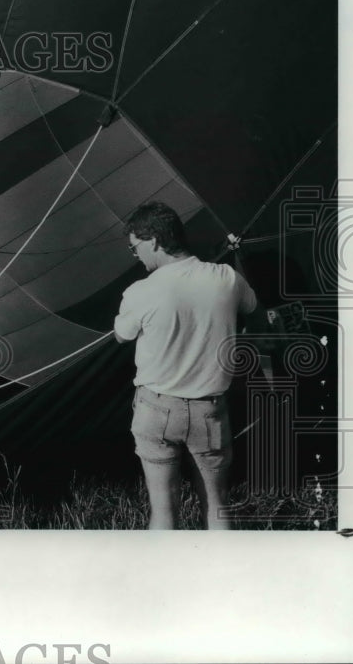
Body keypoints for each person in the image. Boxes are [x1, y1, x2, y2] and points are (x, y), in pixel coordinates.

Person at [114, 202, 265, 530]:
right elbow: (253, 308)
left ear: (152, 240)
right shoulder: (227, 278)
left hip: (157, 409)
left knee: (164, 512)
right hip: (208, 411)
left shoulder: (140, 291)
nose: (135, 255)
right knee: (217, 505)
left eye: (134, 246)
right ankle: (221, 578)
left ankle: (165, 578)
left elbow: (122, 335)